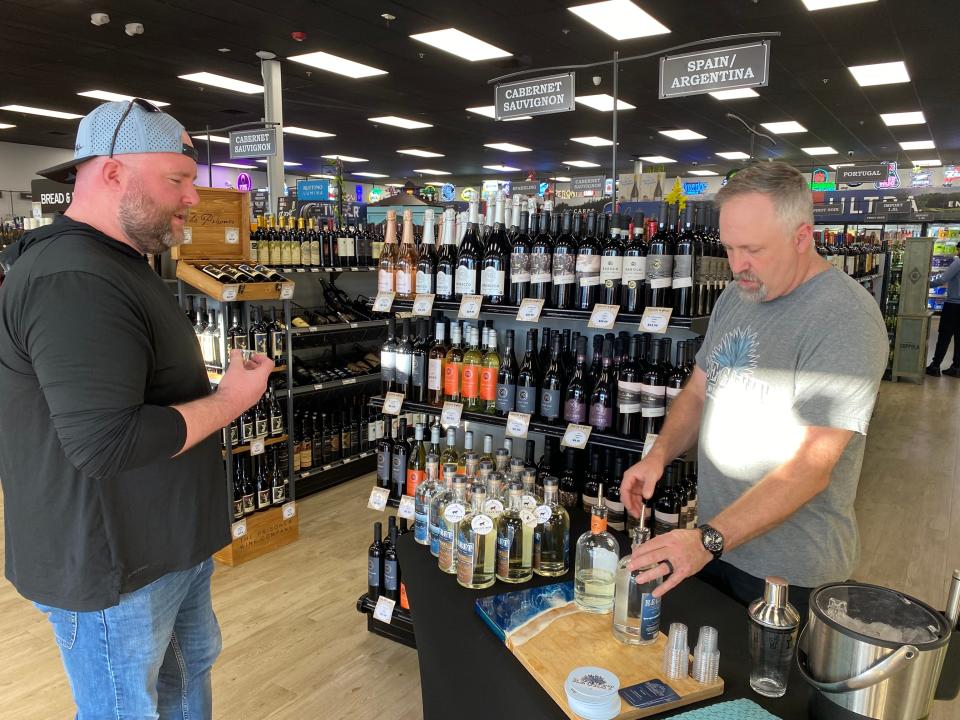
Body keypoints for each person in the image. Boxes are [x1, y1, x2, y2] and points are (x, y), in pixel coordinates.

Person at [0, 100, 273, 718]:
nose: (192, 199)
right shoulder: (72, 277)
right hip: (112, 569)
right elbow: (106, 441)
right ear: (112, 172)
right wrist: (231, 399)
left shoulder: (118, 263)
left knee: (183, 686)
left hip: (164, 549)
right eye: (176, 180)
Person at [621, 163, 888, 622]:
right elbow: (699, 391)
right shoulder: (736, 296)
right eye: (729, 247)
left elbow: (811, 467)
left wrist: (708, 540)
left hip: (789, 576)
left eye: (753, 249)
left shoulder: (845, 319)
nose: (737, 264)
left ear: (802, 236)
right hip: (716, 547)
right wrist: (659, 454)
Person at [926, 242, 960, 377]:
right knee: (959, 337)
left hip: (953, 305)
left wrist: (925, 282)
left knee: (944, 335)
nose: (957, 252)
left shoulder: (958, 262)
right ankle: (957, 367)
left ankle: (935, 366)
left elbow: (942, 279)